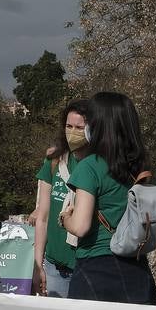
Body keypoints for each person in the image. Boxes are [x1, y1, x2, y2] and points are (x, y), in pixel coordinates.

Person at [62, 92, 156, 304]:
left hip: (96, 267)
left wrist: (65, 219)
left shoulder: (89, 166)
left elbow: (81, 227)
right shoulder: (139, 167)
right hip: (136, 266)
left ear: (98, 126)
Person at [33, 98, 91, 297]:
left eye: (79, 127)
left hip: (86, 265)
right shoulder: (53, 161)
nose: (72, 132)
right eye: (68, 126)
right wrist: (38, 263)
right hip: (54, 266)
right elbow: (43, 216)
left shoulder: (98, 164)